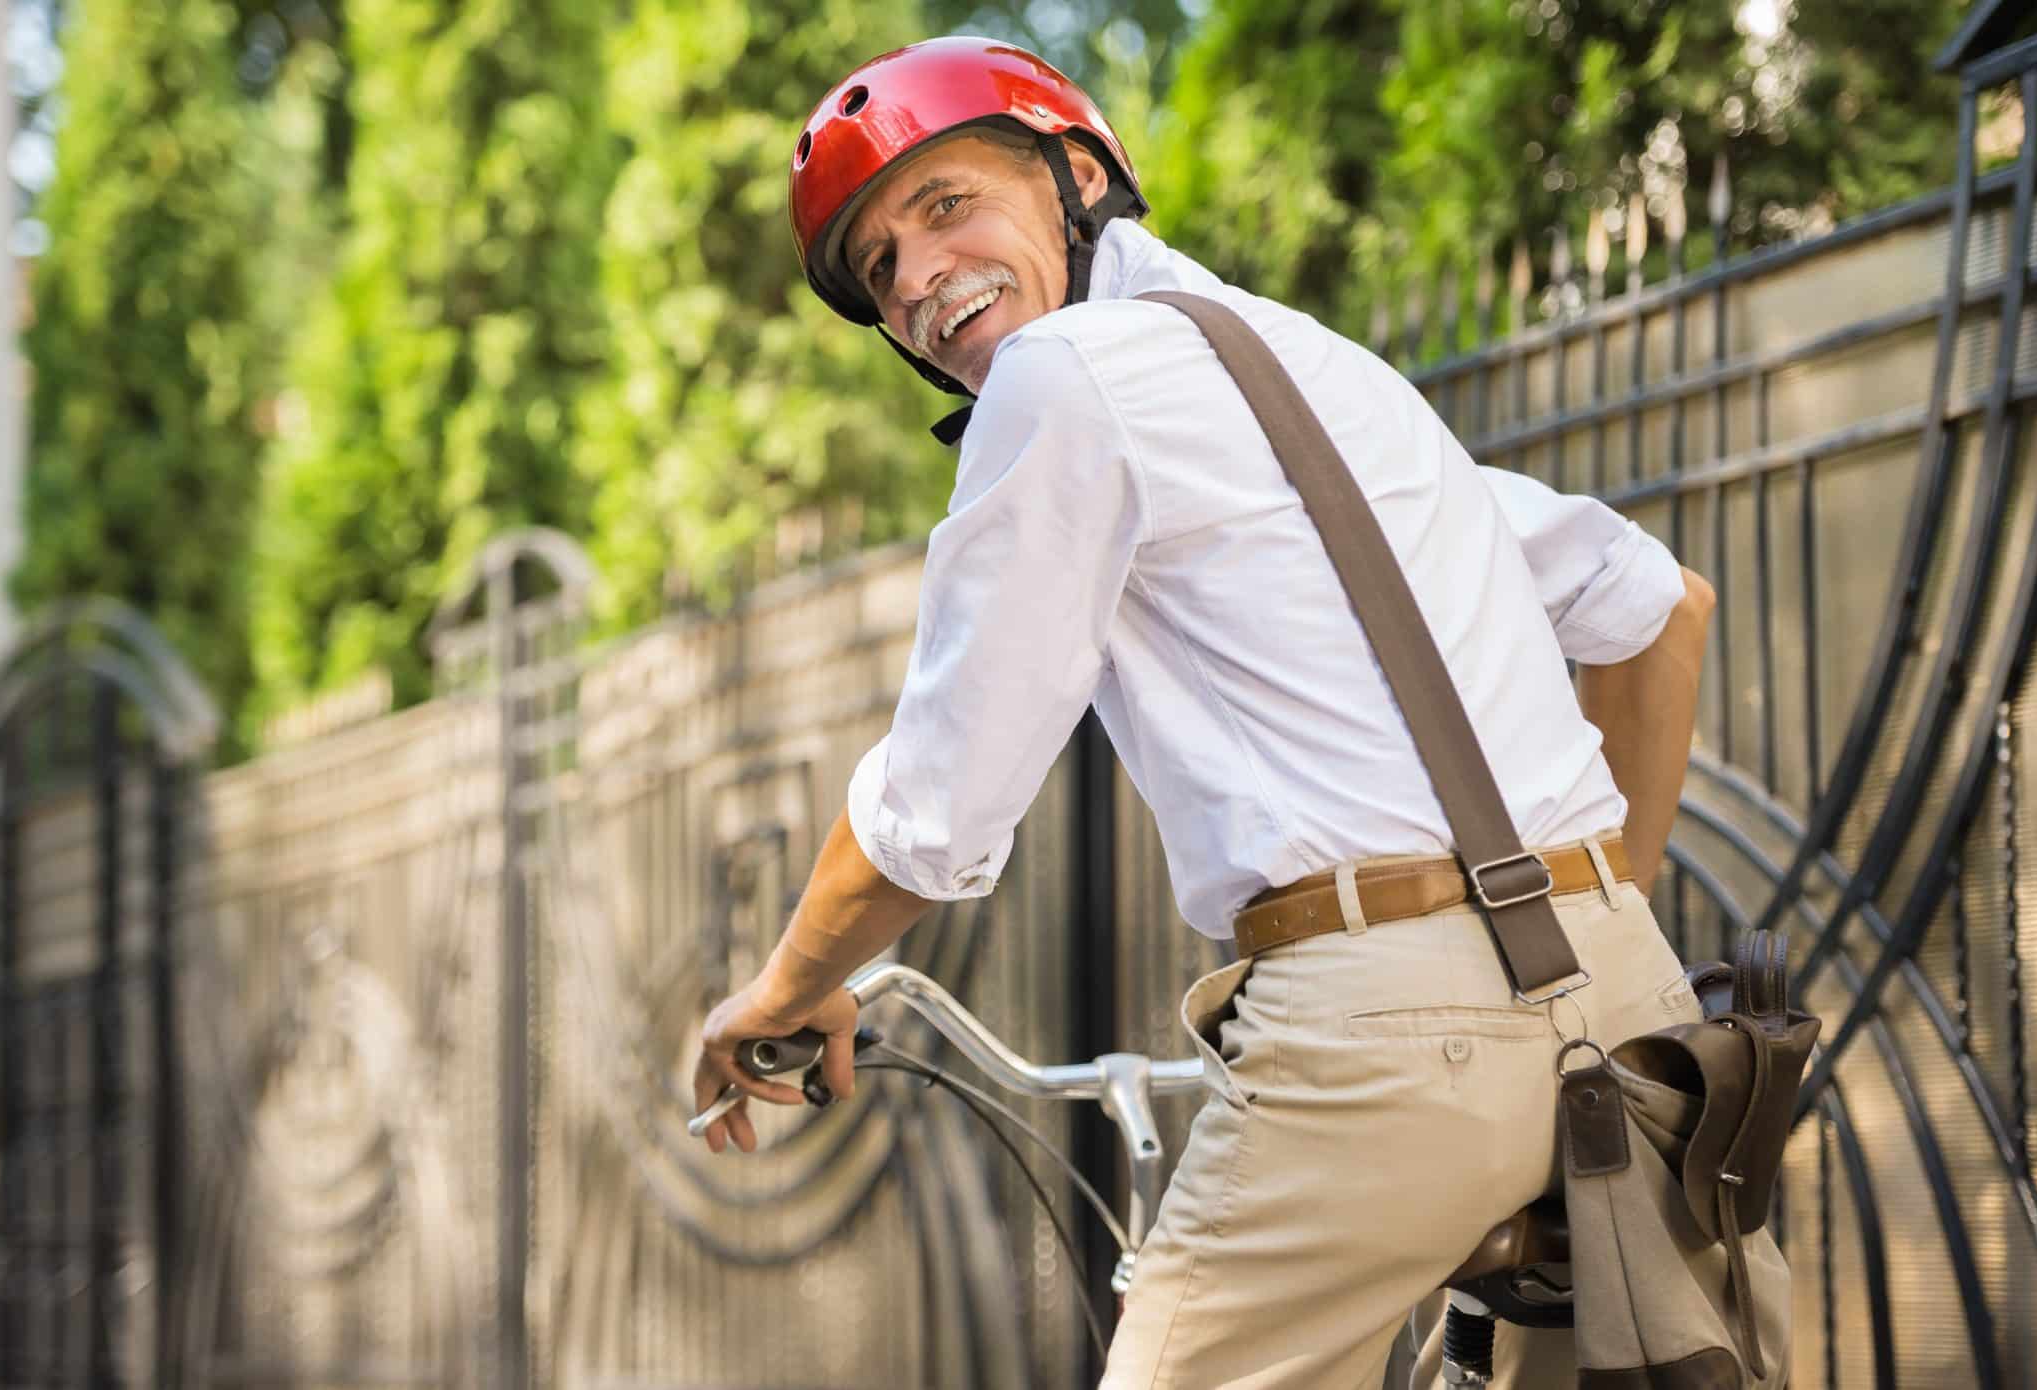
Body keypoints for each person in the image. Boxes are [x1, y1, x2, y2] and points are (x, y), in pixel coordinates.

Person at [693, 36, 1718, 1388]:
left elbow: (933, 815)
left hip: (1383, 1047)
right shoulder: (1323, 373)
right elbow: (1655, 603)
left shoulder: (1062, 380)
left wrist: (784, 987)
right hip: (1634, 1027)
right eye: (880, 268)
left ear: (1078, 176)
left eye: (949, 206)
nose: (920, 278)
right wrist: (1579, 945)